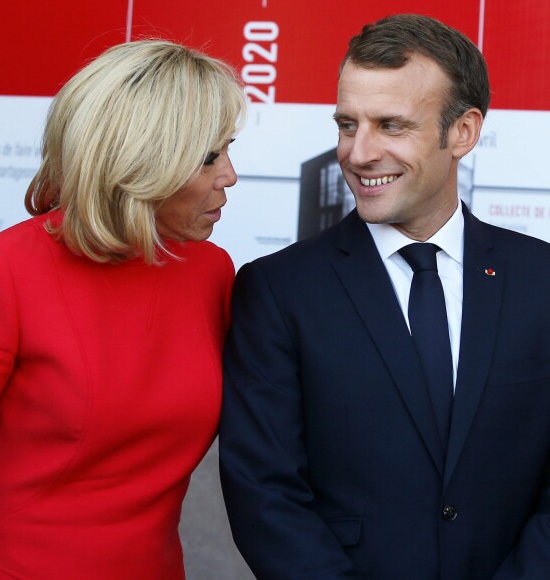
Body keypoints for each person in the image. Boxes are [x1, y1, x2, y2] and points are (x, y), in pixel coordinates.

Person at [219, 13, 550, 580]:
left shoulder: (540, 279)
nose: (359, 152)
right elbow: (265, 494)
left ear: (463, 132)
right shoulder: (278, 290)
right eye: (348, 125)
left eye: (391, 126)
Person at [0, 39, 246, 579]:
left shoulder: (212, 272)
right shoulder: (0, 268)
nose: (230, 176)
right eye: (209, 157)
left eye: (228, 149)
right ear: (141, 161)